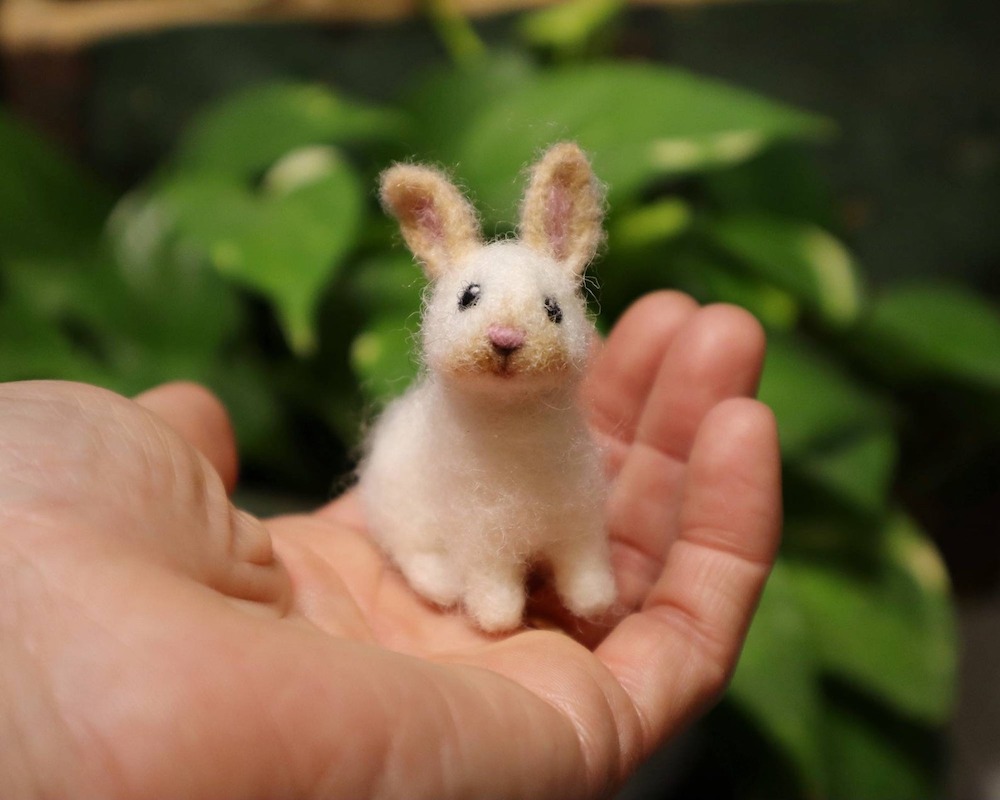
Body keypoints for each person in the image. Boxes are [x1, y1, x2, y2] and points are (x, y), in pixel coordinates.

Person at [0, 292, 780, 799]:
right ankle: (455, 569)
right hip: (428, 521)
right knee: (468, 522)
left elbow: (578, 504)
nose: (506, 334)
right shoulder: (436, 429)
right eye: (474, 303)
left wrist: (583, 565)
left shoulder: (567, 427)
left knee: (569, 506)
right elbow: (466, 506)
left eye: (543, 309)